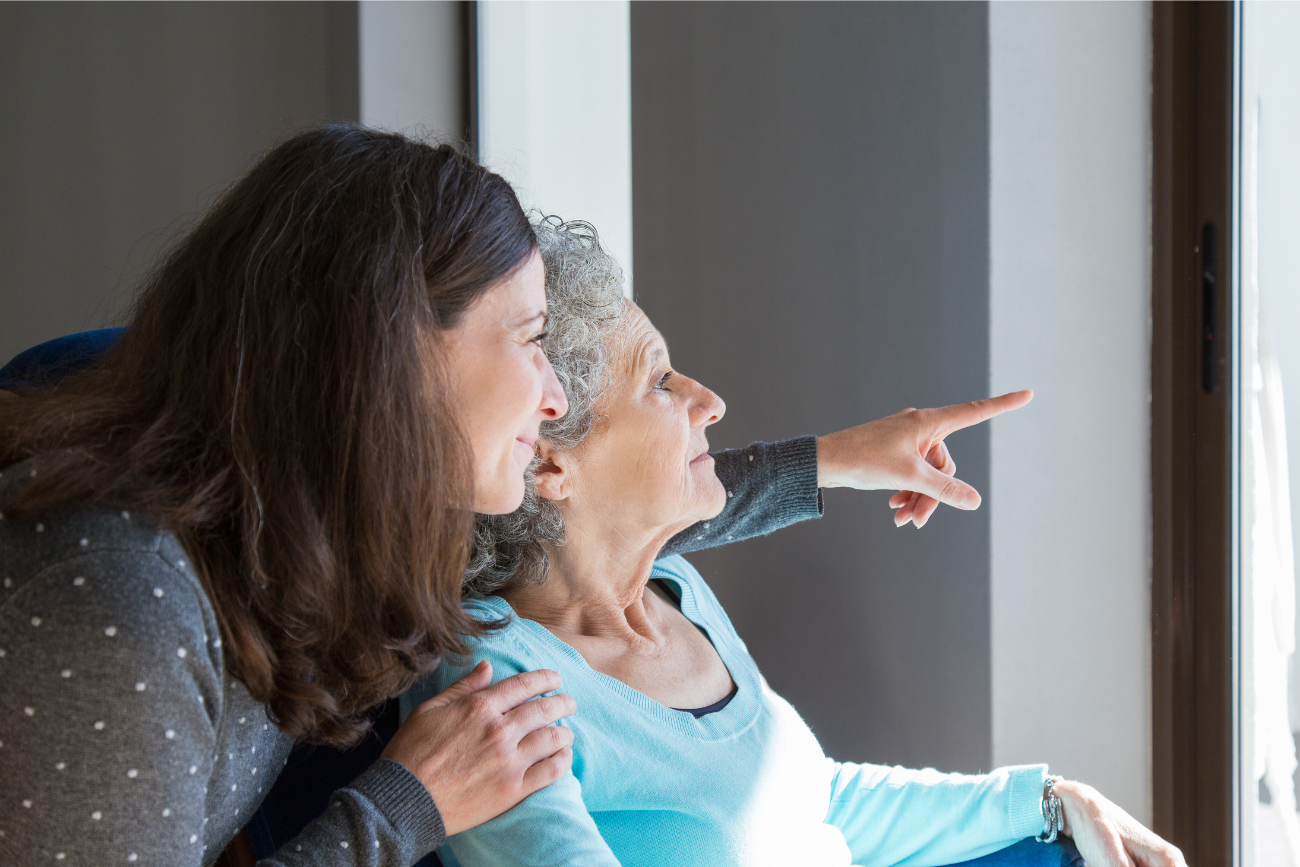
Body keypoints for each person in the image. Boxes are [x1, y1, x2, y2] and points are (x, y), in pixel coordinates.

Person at [0, 127, 1018, 867]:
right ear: (393, 355)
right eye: (531, 342)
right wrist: (408, 805)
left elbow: (591, 516)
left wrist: (833, 461)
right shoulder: (111, 608)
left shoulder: (335, 524)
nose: (555, 395)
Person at [406, 220, 1186, 867]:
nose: (708, 401)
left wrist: (1048, 799)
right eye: (660, 383)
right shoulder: (499, 679)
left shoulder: (677, 593)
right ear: (549, 457)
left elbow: (818, 802)